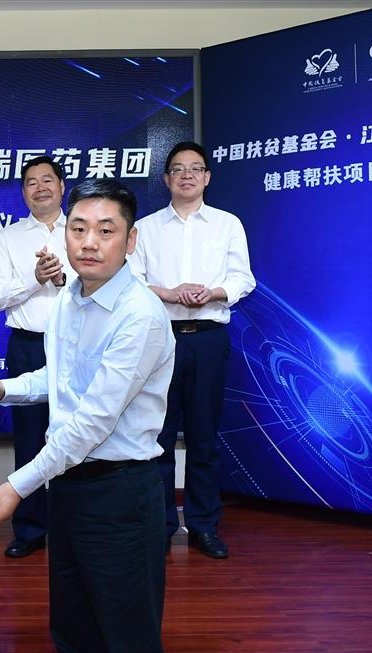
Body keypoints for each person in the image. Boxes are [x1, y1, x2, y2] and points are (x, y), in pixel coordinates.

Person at [0, 179, 174, 653]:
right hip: (70, 494)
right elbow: (60, 379)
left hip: (121, 496)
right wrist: (5, 389)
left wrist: (17, 484)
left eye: (106, 231)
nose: (89, 242)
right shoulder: (69, 298)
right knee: (77, 640)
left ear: (130, 241)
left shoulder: (139, 316)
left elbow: (91, 422)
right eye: (79, 228)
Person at [129, 141, 255, 559]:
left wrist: (213, 292)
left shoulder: (227, 224)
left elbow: (243, 279)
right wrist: (170, 293)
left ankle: (203, 525)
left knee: (204, 436)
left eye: (195, 168)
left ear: (207, 177)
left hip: (208, 339)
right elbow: (130, 281)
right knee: (158, 436)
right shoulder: (144, 228)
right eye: (178, 169)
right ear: (166, 179)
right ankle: (161, 525)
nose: (187, 175)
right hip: (159, 339)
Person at [0, 155, 75, 559]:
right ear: (23, 192)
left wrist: (63, 278)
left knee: (78, 435)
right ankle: (30, 528)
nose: (40, 188)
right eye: (31, 182)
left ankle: (73, 526)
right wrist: (35, 279)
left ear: (62, 186)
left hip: (76, 343)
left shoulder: (81, 229)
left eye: (47, 180)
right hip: (27, 344)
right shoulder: (9, 238)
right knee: (29, 437)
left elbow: (101, 281)